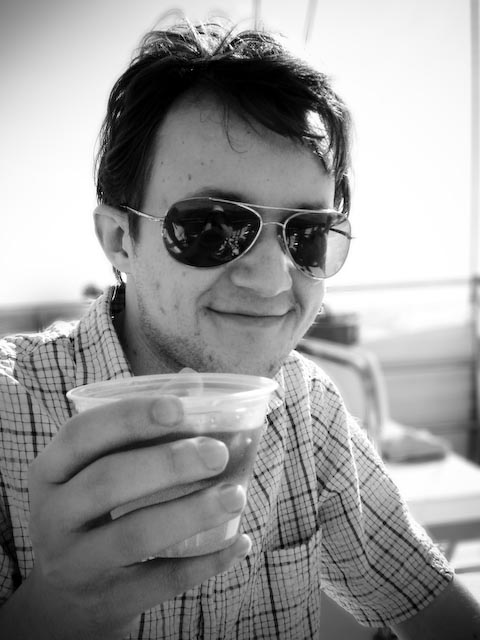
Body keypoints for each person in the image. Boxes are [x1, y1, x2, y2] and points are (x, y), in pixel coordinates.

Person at [0, 19, 479, 640]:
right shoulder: (7, 410)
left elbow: (433, 610)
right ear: (120, 239)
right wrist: (56, 610)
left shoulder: (307, 410)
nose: (274, 280)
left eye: (308, 234)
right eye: (213, 227)